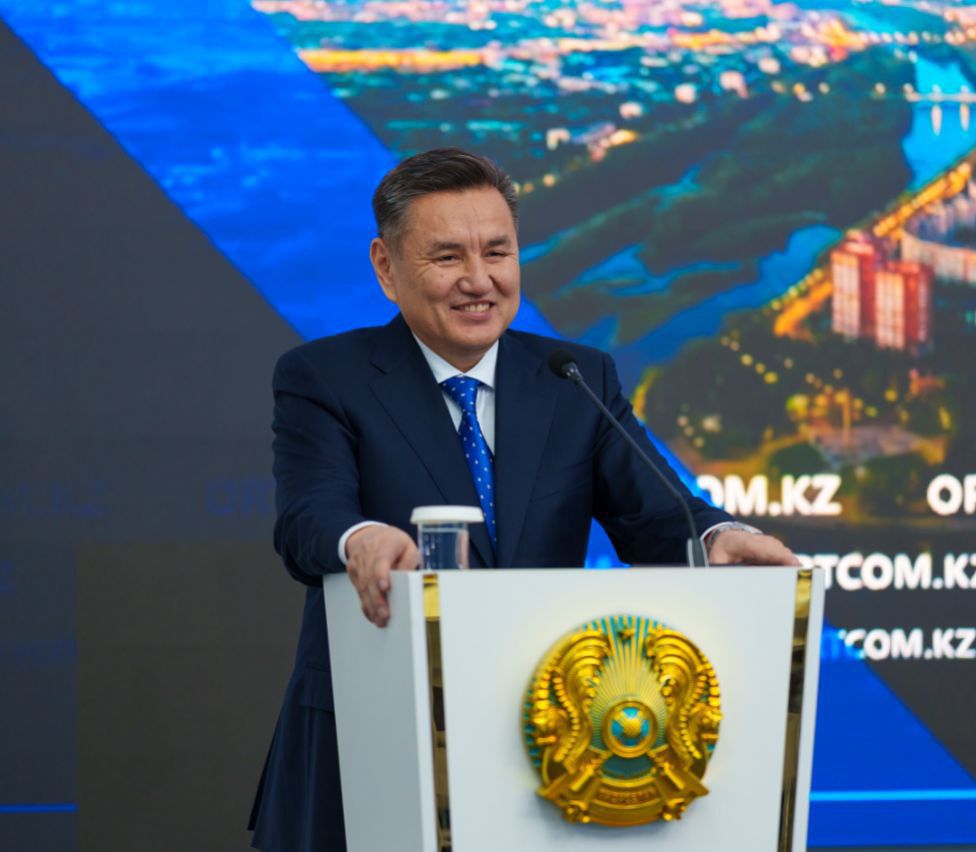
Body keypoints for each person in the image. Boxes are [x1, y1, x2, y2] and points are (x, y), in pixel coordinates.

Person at [249, 148, 799, 852]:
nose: (479, 280)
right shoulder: (325, 376)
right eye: (447, 257)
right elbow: (308, 516)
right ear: (386, 267)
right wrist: (359, 540)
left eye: (497, 252)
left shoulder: (574, 377)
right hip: (370, 742)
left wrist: (717, 535)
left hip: (542, 745)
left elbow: (657, 513)